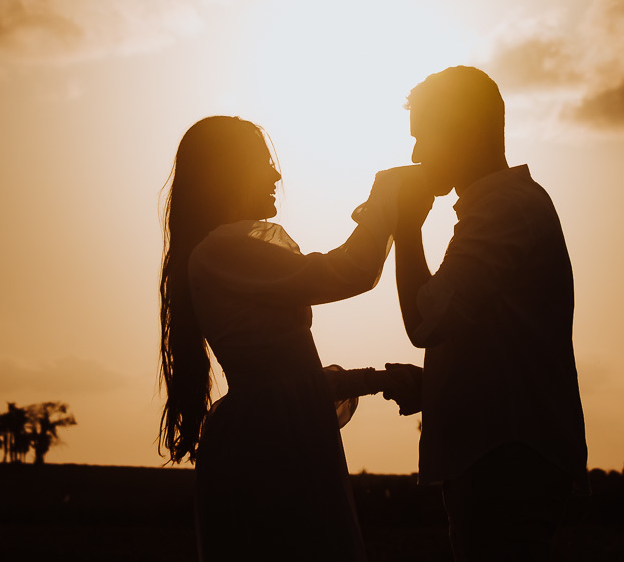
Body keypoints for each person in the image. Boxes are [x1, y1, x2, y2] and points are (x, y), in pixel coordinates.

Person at [158, 115, 409, 561]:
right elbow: (349, 271)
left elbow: (292, 377)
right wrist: (384, 201)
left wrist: (375, 380)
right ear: (225, 172)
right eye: (261, 163)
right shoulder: (223, 251)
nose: (275, 175)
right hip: (272, 450)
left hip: (279, 438)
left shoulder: (228, 251)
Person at [391, 66, 589, 561]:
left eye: (423, 138)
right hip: (503, 456)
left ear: (463, 132)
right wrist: (434, 386)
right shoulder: (501, 208)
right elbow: (480, 330)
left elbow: (427, 323)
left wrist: (407, 227)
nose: (415, 156)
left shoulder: (503, 210)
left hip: (507, 459)